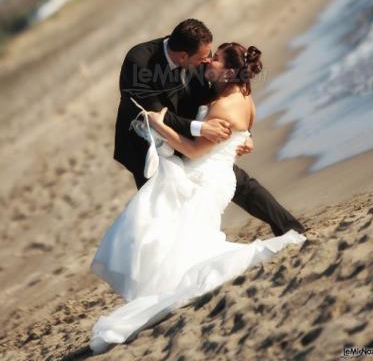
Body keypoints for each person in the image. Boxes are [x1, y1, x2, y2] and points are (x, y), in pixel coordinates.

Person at [89, 41, 306, 353]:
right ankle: (157, 276)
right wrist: (238, 138)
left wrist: (158, 124)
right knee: (166, 225)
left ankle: (160, 281)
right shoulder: (236, 92)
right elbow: (237, 123)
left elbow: (196, 146)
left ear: (230, 71)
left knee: (162, 224)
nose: (208, 62)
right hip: (205, 168)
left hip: (205, 172)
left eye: (214, 58)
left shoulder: (223, 102)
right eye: (207, 56)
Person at [114, 18, 304, 236]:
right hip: (149, 145)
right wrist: (201, 129)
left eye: (210, 54)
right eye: (204, 56)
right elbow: (156, 115)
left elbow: (222, 96)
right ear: (184, 56)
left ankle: (290, 227)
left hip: (192, 135)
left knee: (233, 179)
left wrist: (242, 134)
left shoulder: (198, 60)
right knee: (157, 206)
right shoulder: (139, 62)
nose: (207, 60)